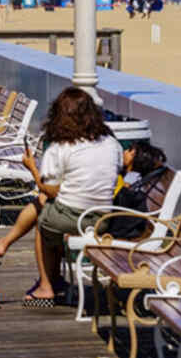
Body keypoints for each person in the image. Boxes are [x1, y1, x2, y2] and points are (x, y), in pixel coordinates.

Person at [0, 142, 168, 270]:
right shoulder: (124, 181)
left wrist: (34, 169)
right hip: (101, 219)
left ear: (134, 155)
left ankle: (45, 283)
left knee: (46, 212)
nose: (123, 152)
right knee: (46, 201)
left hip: (102, 225)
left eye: (128, 150)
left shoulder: (120, 183)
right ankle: (4, 246)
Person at [21, 88, 122, 307]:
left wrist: (32, 168)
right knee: (50, 212)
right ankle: (54, 279)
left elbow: (48, 188)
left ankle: (46, 287)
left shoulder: (60, 147)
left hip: (75, 216)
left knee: (44, 217)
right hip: (103, 219)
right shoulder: (111, 143)